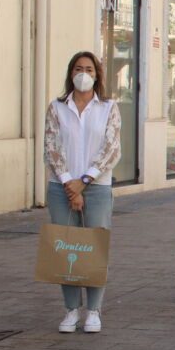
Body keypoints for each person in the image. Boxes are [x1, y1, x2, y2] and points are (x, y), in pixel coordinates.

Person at [43, 51, 121, 333]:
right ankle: (71, 309)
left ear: (97, 74)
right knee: (66, 247)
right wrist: (69, 183)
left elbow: (111, 149)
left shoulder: (108, 107)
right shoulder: (57, 107)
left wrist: (84, 181)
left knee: (95, 248)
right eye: (78, 68)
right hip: (61, 187)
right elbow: (52, 147)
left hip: (96, 187)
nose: (83, 73)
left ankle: (94, 310)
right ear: (70, 73)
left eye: (89, 68)